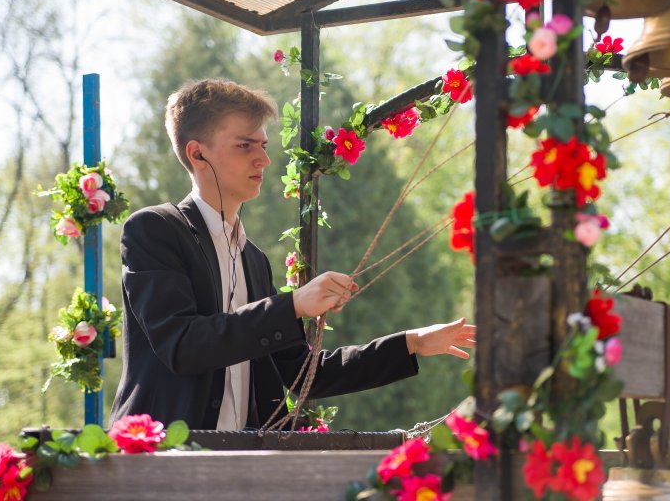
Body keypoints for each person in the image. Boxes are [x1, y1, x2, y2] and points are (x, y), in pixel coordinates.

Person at [109, 79, 476, 430]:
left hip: (239, 460)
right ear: (197, 153)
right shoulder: (154, 229)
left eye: (263, 145)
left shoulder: (253, 259)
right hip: (160, 456)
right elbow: (183, 346)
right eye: (245, 145)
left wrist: (411, 343)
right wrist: (294, 304)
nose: (263, 160)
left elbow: (304, 374)